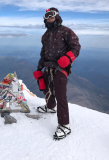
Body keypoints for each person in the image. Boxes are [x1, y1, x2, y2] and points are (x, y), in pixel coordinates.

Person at [33, 7, 81, 140]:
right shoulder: (45, 35)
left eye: (51, 16)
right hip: (48, 67)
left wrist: (68, 57)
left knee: (60, 95)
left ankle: (65, 125)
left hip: (60, 68)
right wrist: (39, 68)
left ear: (57, 17)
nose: (49, 18)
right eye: (47, 16)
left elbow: (76, 46)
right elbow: (43, 54)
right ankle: (50, 107)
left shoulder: (66, 31)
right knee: (46, 88)